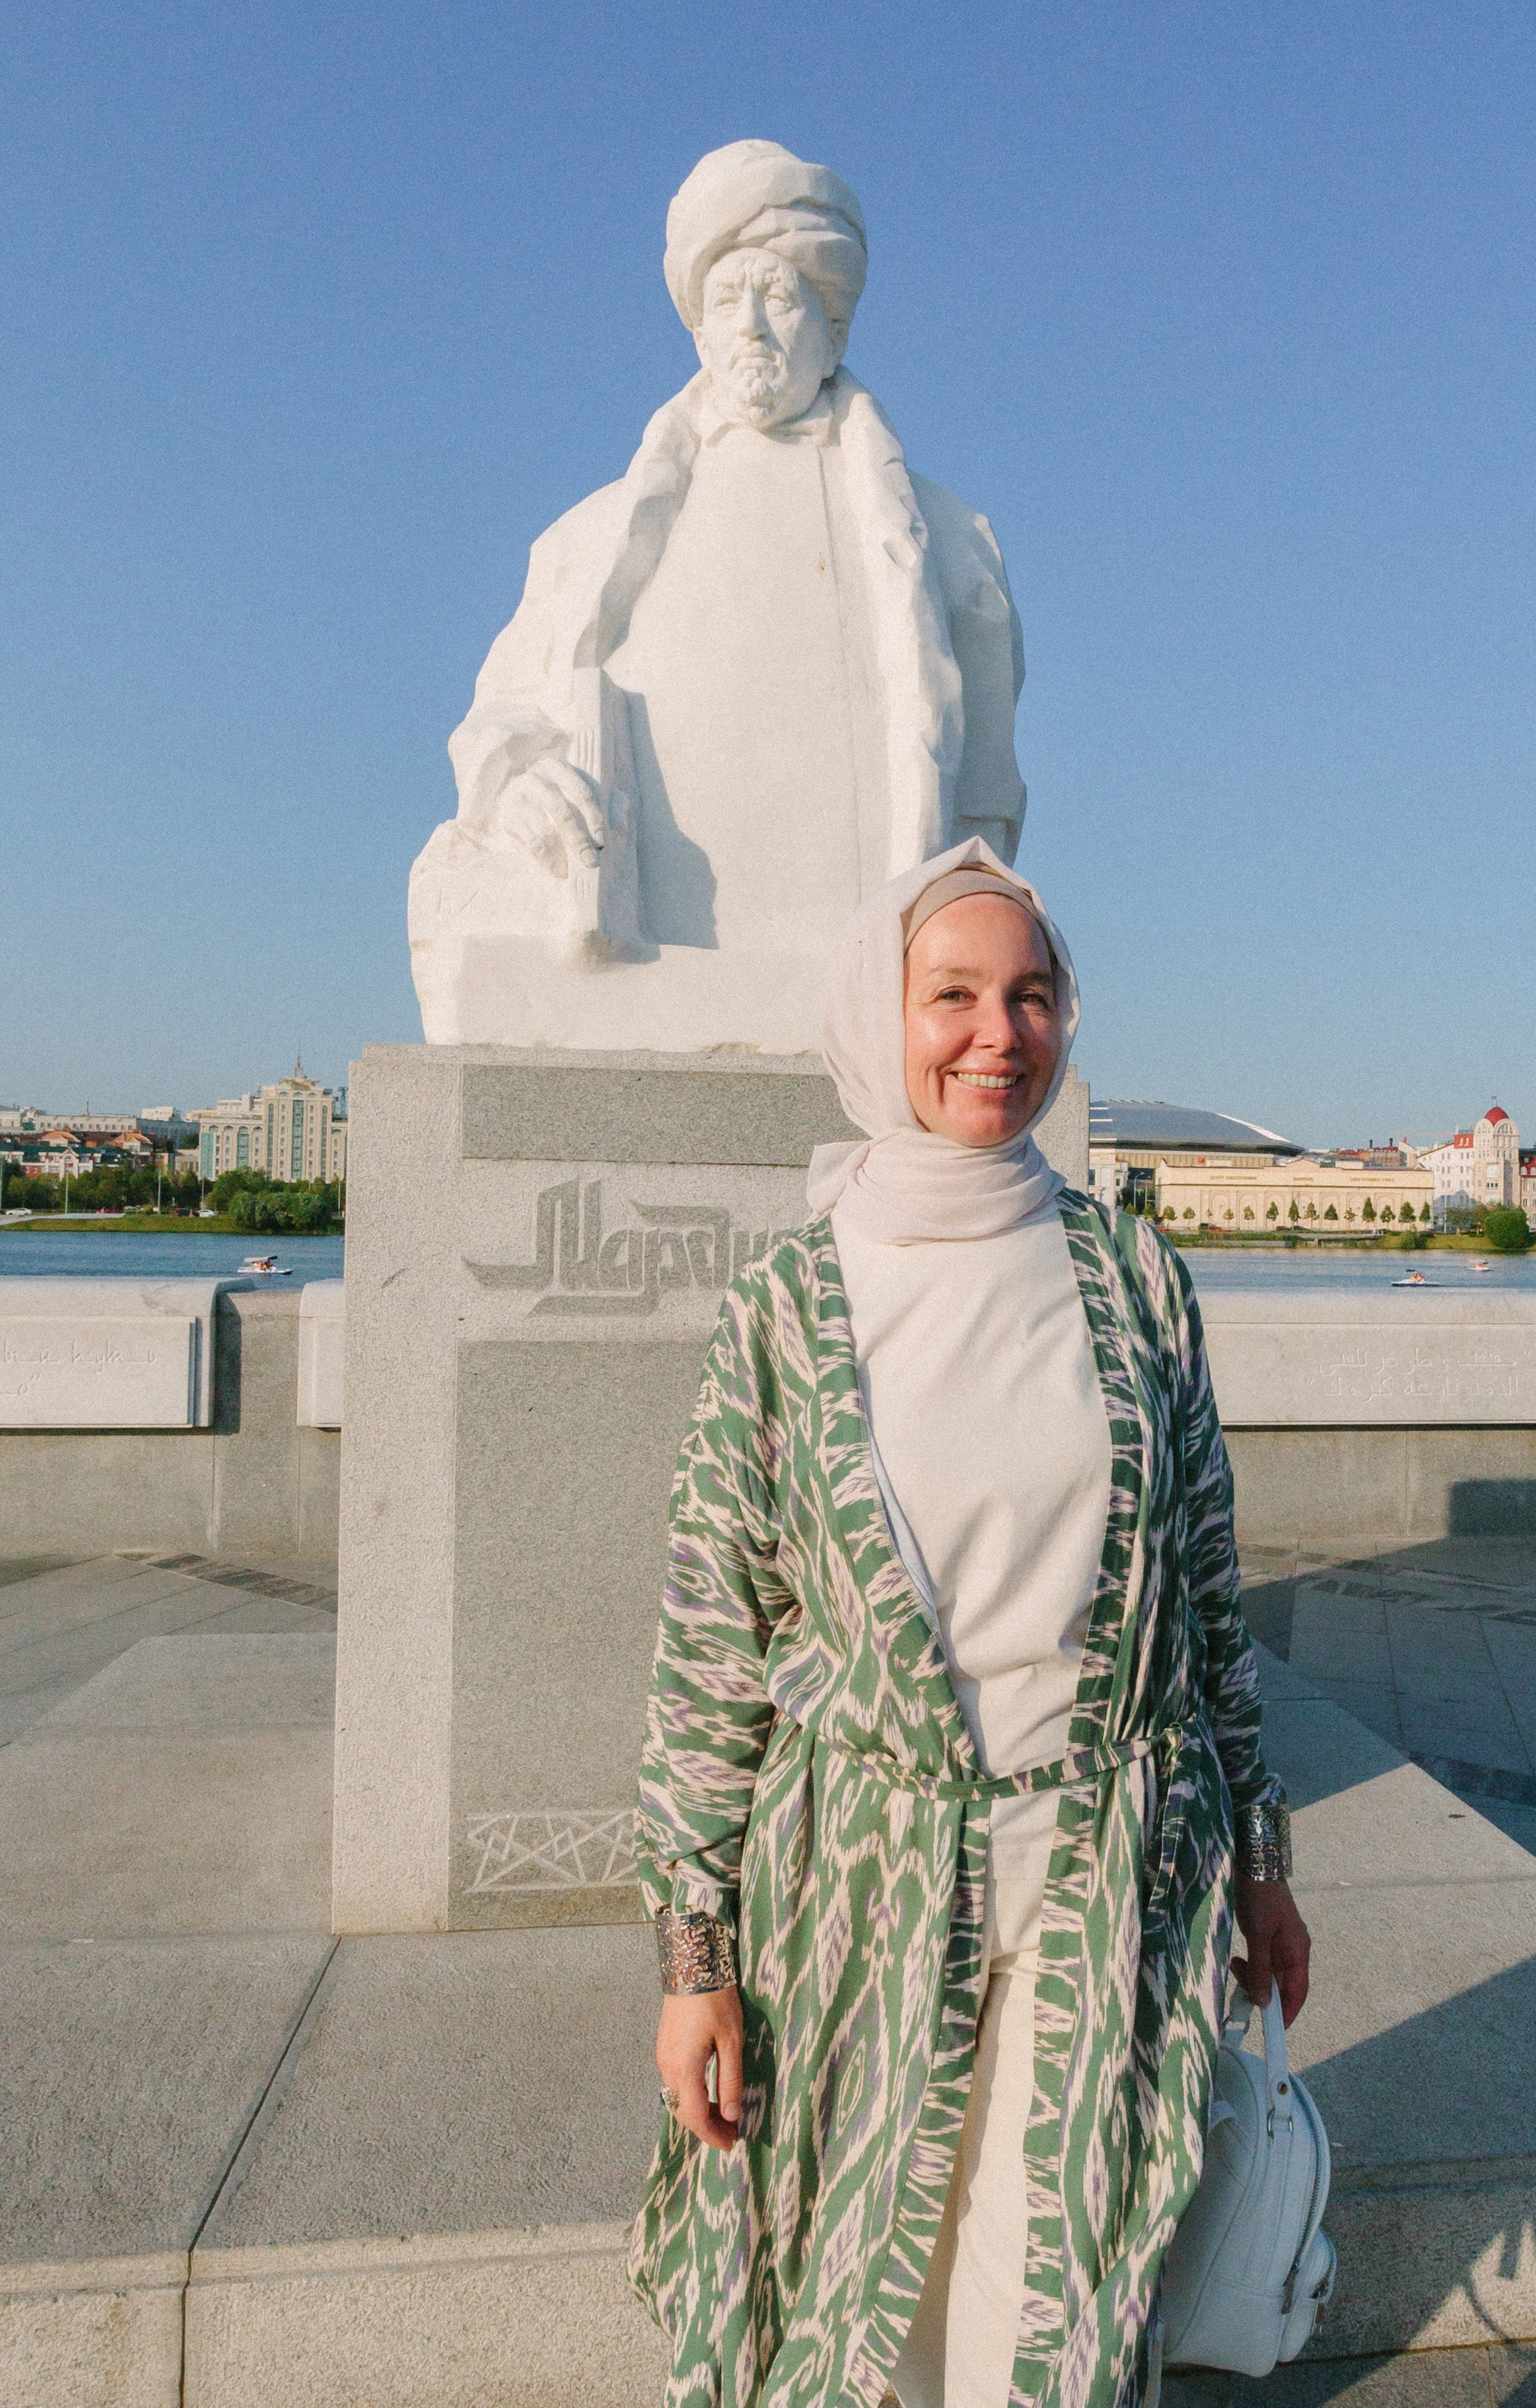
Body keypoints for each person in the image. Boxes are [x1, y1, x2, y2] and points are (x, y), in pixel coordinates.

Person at [629, 837, 1310, 2408]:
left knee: (1055, 2296)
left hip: (1106, 1869)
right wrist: (691, 1958)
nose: (997, 1035)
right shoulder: (789, 1307)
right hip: (857, 1883)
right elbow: (710, 1654)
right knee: (868, 2290)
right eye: (952, 996)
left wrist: (1263, 1867)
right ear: (883, 1017)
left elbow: (1206, 1599)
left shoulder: (1130, 1275)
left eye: (1033, 995)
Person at [410, 142, 1031, 1052]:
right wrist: (520, 785)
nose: (751, 327)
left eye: (779, 297)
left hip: (860, 1001)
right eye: (725, 300)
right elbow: (499, 722)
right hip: (619, 972)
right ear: (696, 330)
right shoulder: (586, 540)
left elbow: (984, 815)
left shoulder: (952, 550)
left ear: (834, 329)